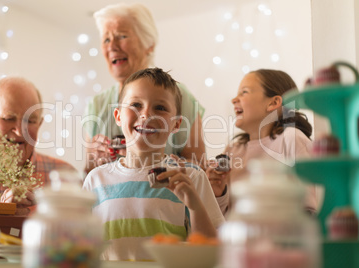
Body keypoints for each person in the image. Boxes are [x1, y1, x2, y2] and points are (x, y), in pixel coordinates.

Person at [83, 68, 224, 261]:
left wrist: (194, 205)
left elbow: (211, 253)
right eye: (135, 105)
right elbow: (80, 246)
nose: (146, 114)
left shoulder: (192, 178)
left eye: (160, 108)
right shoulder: (95, 180)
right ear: (118, 116)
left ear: (176, 124)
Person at [83, 3, 205, 173]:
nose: (112, 46)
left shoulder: (179, 97)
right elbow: (87, 174)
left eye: (122, 36)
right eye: (106, 39)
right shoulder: (96, 104)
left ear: (149, 45)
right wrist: (94, 160)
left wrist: (159, 163)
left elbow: (200, 168)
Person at [206, 69, 321, 217]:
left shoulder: (291, 139)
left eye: (244, 92)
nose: (234, 99)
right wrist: (218, 192)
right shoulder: (233, 150)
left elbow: (309, 209)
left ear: (273, 103)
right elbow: (223, 218)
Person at [0, 76, 76, 214]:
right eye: (9, 119)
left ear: (39, 124)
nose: (21, 131)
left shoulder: (66, 178)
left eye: (31, 121)